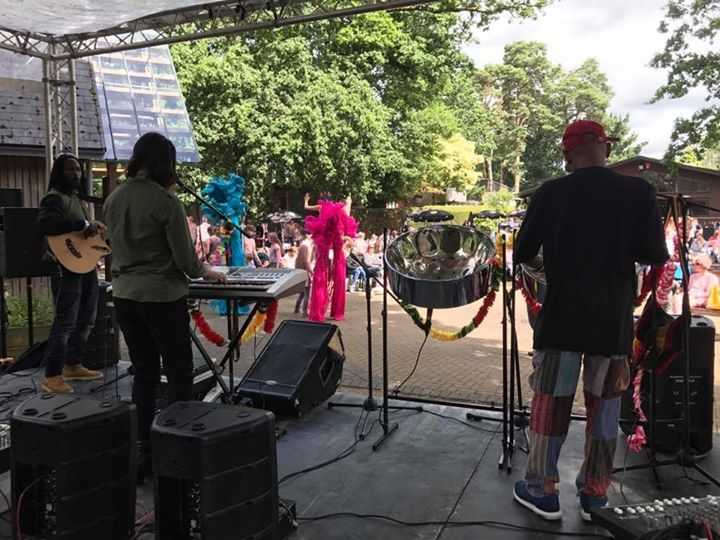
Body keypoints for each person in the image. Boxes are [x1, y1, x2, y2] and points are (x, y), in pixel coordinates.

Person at [512, 120, 668, 521]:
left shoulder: (550, 192)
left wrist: (553, 264)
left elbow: (522, 252)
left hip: (561, 319)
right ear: (606, 149)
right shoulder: (638, 191)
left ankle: (542, 491)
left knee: (550, 406)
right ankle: (595, 495)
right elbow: (655, 254)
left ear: (567, 157)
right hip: (611, 321)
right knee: (604, 411)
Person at [103, 132, 226, 479]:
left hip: (125, 296)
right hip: (161, 297)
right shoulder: (166, 202)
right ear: (164, 163)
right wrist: (206, 271)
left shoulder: (113, 199)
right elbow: (186, 261)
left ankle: (143, 447)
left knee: (144, 372)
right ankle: (177, 448)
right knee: (179, 372)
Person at [37, 153, 105, 393]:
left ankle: (73, 364)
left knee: (87, 319)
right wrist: (83, 225)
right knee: (65, 322)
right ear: (59, 172)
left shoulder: (75, 198)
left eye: (78, 169)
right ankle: (52, 375)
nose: (76, 173)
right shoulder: (54, 198)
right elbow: (47, 225)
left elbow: (77, 236)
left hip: (83, 266)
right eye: (70, 169)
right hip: (66, 268)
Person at [304, 192, 357, 321]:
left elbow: (306, 207)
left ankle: (318, 312)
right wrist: (349, 201)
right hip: (336, 235)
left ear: (321, 200)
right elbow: (346, 215)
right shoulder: (337, 209)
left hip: (325, 235)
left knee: (321, 268)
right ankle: (337, 312)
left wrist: (306, 200)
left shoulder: (321, 207)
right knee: (339, 268)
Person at [294, 230, 313, 315]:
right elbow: (306, 261)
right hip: (305, 271)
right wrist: (311, 271)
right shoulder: (306, 245)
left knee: (302, 292)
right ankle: (304, 310)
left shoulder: (304, 244)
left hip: (301, 271)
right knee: (306, 293)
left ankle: (297, 308)